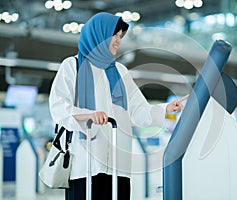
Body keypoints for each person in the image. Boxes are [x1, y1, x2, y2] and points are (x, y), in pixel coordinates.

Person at [49, 12, 187, 200]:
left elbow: (137, 110)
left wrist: (166, 108)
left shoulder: (120, 71)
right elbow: (58, 106)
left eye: (120, 36)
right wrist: (89, 115)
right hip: (85, 163)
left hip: (117, 162)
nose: (118, 41)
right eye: (114, 35)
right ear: (99, 34)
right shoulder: (72, 66)